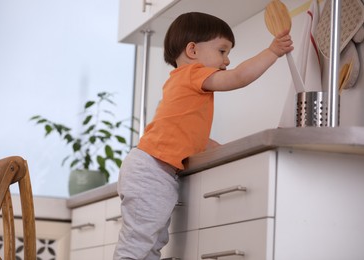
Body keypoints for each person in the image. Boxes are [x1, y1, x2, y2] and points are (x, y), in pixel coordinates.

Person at [113, 12, 293, 260]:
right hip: (151, 171)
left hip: (150, 169)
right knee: (140, 242)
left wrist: (224, 149)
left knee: (151, 241)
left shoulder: (179, 83)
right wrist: (272, 52)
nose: (227, 60)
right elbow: (238, 77)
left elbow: (188, 135)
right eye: (222, 51)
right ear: (193, 51)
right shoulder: (192, 73)